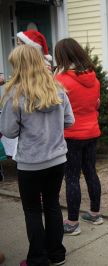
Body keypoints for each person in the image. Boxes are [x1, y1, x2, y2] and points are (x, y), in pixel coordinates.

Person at [0, 45, 74, 266]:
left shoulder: (14, 94)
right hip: (57, 159)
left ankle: (38, 259)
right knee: (52, 205)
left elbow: (9, 130)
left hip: (31, 163)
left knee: (32, 210)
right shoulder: (57, 89)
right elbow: (69, 121)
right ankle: (56, 254)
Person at [54, 38, 103, 236]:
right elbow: (96, 104)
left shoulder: (61, 80)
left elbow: (55, 109)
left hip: (71, 134)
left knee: (72, 177)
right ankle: (95, 213)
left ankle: (72, 222)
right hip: (92, 132)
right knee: (91, 171)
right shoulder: (94, 78)